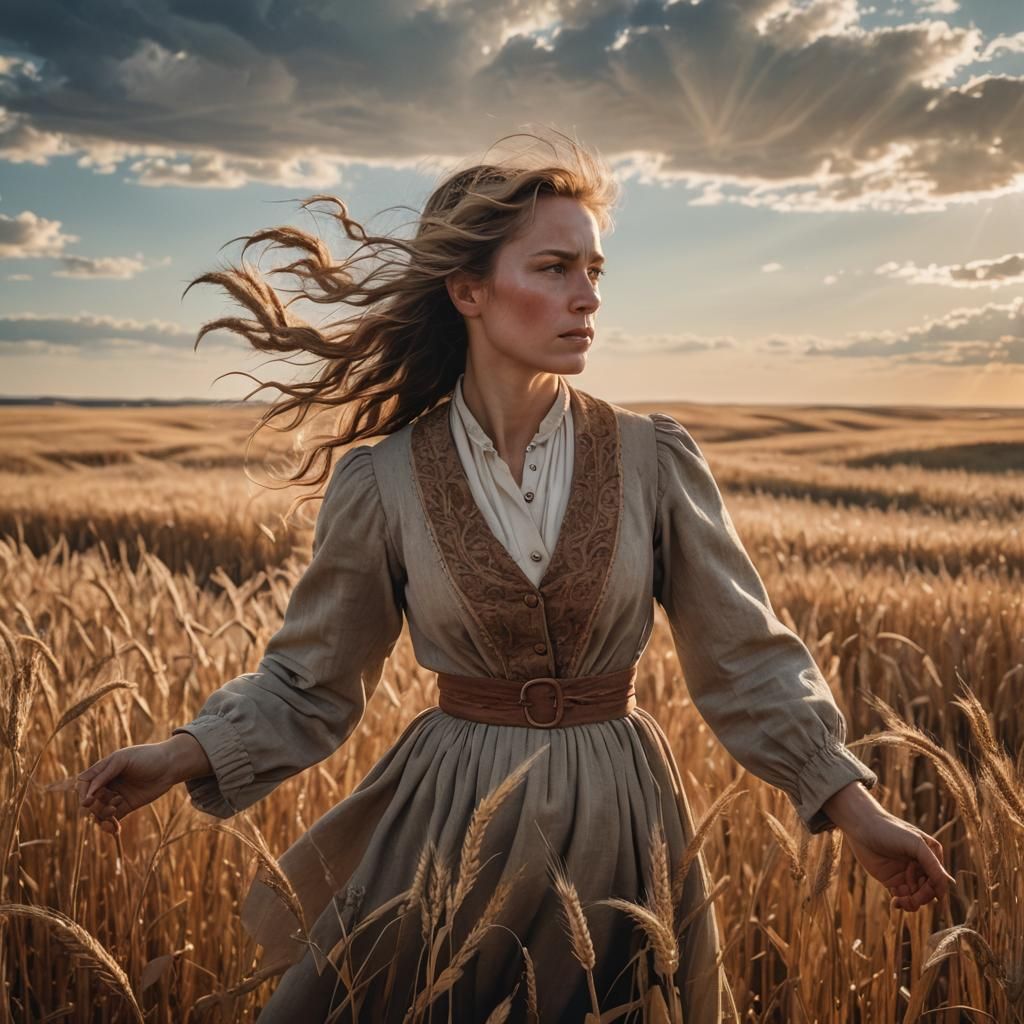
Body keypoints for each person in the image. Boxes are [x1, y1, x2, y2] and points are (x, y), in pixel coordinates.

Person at [77, 129, 953, 1023]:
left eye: (595, 272)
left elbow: (748, 659)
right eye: (555, 269)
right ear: (468, 290)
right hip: (449, 821)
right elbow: (308, 682)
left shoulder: (653, 458)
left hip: (621, 824)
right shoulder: (383, 483)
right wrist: (184, 751)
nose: (587, 299)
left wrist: (856, 810)